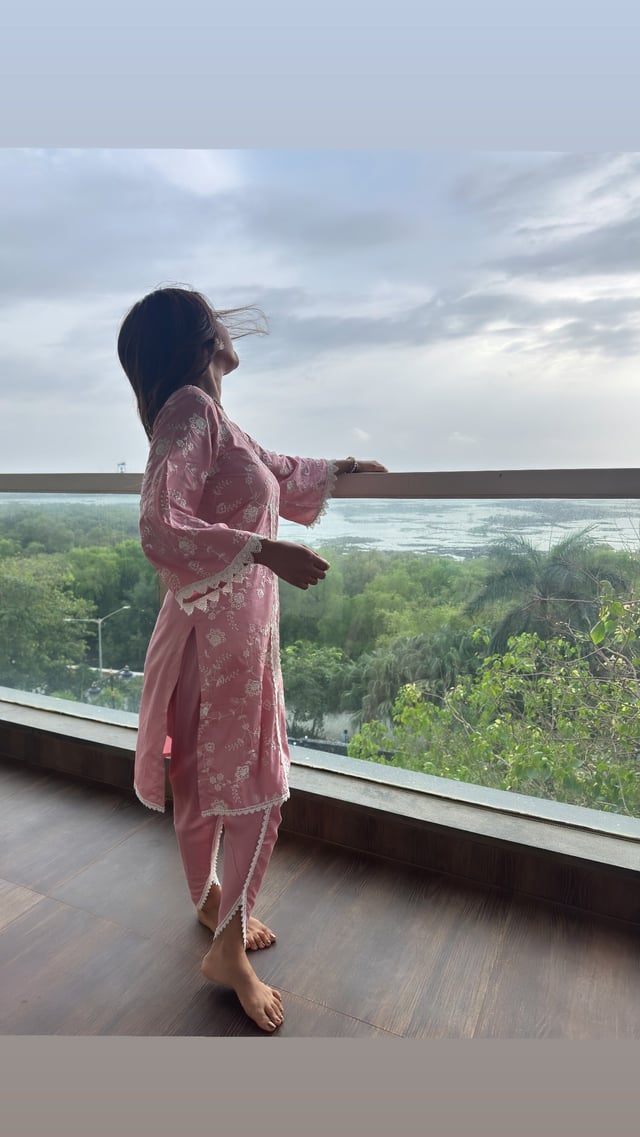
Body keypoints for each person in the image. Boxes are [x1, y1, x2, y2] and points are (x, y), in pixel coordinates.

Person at [117, 285, 387, 1032]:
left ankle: (212, 902)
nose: (230, 328)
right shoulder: (191, 412)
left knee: (204, 779)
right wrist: (268, 550)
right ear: (202, 341)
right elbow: (160, 525)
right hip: (221, 642)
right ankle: (228, 948)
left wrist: (342, 467)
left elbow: (278, 467)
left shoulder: (209, 420)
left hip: (217, 635)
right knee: (255, 783)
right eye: (215, 319)